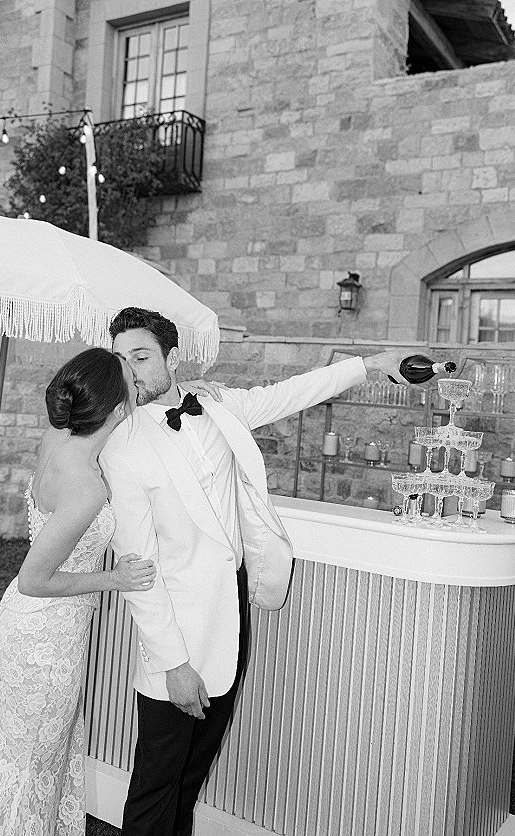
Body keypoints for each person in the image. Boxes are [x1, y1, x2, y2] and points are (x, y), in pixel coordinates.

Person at [99, 306, 412, 836]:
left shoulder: (220, 408)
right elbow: (140, 572)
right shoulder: (122, 445)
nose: (130, 371)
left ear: (172, 359)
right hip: (173, 633)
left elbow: (293, 392)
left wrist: (372, 363)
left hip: (232, 615)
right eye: (120, 359)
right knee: (156, 782)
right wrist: (174, 663)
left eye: (142, 356)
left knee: (192, 775)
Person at [0, 347, 157, 836]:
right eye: (131, 375)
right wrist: (115, 579)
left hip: (33, 626)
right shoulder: (86, 487)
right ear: (115, 405)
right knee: (32, 766)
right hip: (47, 634)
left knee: (28, 757)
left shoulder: (57, 437)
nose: (139, 381)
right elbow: (33, 579)